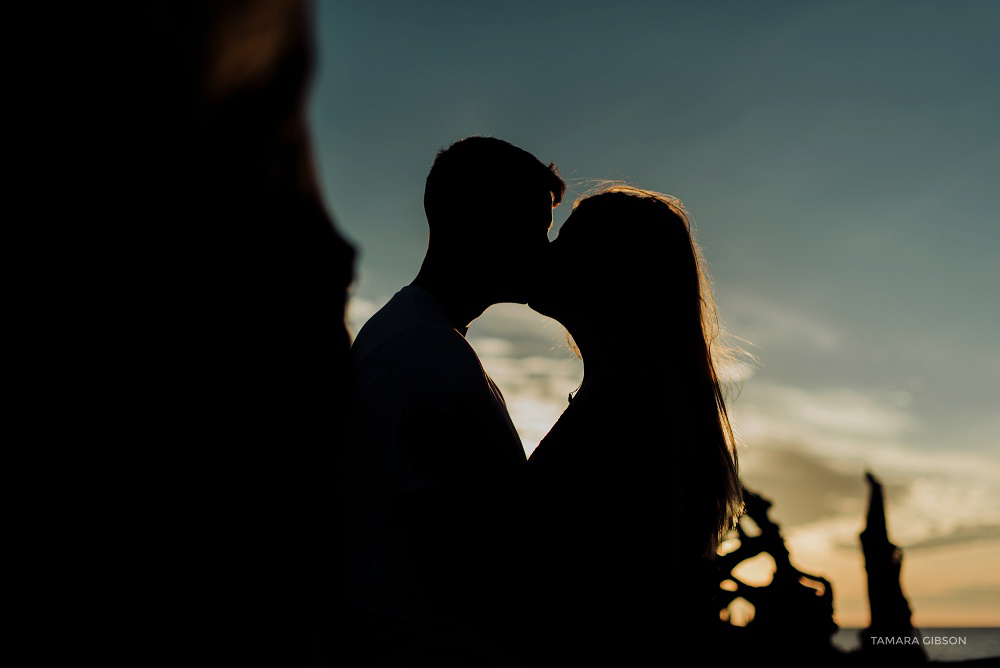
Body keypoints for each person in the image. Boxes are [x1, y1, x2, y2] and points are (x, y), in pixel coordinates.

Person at [345, 136, 565, 666]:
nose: (546, 249)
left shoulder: (431, 339)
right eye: (534, 227)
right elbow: (445, 550)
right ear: (478, 221)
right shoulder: (419, 350)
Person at [524, 185, 744, 664]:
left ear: (611, 272)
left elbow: (631, 589)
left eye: (567, 240)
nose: (548, 251)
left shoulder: (637, 394)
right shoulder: (634, 387)